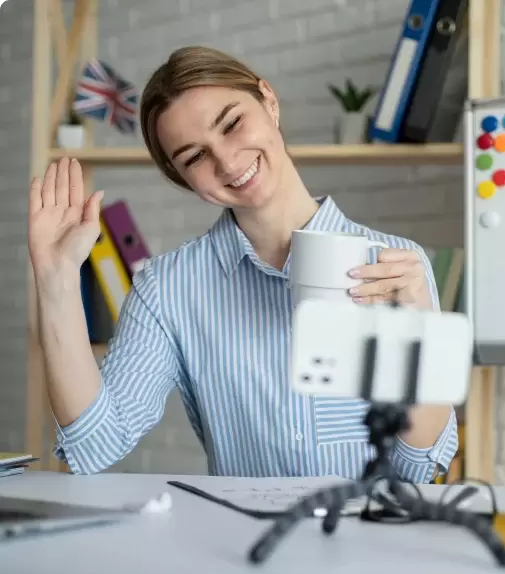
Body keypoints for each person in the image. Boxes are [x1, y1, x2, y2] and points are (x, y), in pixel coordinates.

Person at [27, 46, 458, 481]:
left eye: (232, 124)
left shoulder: (396, 265)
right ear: (184, 179)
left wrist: (420, 335)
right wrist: (56, 277)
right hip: (240, 545)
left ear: (268, 102)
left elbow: (420, 465)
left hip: (371, 540)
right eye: (195, 157)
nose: (228, 162)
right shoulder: (169, 288)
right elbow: (93, 446)